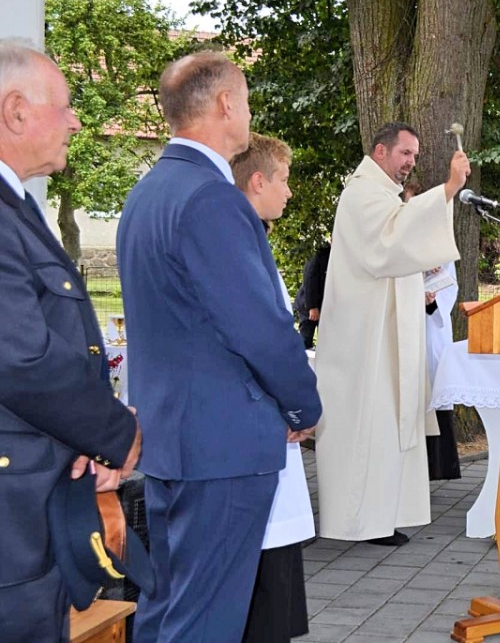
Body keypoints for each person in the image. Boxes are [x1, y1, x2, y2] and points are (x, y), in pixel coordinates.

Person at [117, 52, 322, 643]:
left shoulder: (149, 193)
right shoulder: (212, 197)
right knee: (205, 621)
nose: (250, 112)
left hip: (172, 439)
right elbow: (257, 327)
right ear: (226, 104)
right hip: (221, 447)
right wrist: (303, 407)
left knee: (168, 609)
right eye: (248, 99)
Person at [0, 41, 142, 641]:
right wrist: (115, 433)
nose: (77, 120)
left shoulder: (16, 204)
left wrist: (84, 438)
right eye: (65, 106)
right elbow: (21, 358)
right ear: (16, 111)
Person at [315, 122, 469, 545]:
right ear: (380, 151)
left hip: (386, 334)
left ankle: (382, 516)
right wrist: (447, 191)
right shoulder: (362, 192)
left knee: (387, 426)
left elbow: (402, 234)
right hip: (365, 340)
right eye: (405, 154)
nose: (410, 163)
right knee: (368, 426)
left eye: (415, 156)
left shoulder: (381, 194)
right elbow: (389, 244)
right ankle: (359, 522)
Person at [230, 134, 313, 643]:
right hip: (258, 423)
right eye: (283, 180)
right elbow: (264, 335)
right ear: (257, 181)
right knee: (262, 571)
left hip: (266, 420)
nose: (288, 192)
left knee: (275, 563)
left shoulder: (250, 235)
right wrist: (296, 407)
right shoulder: (236, 239)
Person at [403, 178, 461, 482]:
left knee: (432, 391)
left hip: (429, 327)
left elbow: (449, 285)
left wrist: (430, 299)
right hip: (402, 331)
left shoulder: (440, 245)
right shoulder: (396, 241)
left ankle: (438, 465)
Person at [294, 242, 331, 349]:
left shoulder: (340, 258)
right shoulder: (319, 255)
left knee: (326, 341)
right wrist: (312, 307)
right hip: (309, 306)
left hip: (325, 306)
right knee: (305, 340)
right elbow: (310, 281)